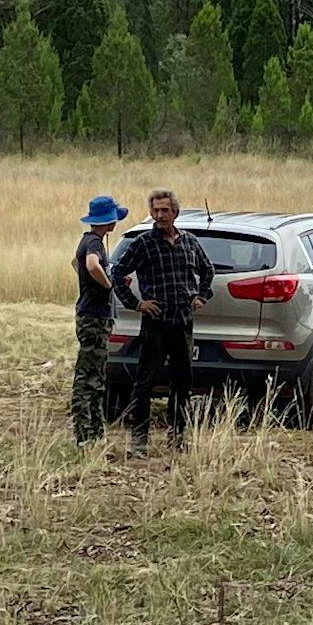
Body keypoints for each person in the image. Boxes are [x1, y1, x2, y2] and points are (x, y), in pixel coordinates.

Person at [108, 188, 214, 451]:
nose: (159, 215)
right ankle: (139, 439)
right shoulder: (143, 243)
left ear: (175, 212)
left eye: (165, 210)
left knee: (182, 382)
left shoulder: (189, 241)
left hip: (183, 322)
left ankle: (178, 438)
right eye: (155, 210)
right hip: (155, 323)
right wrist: (136, 304)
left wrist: (201, 296)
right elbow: (117, 273)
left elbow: (208, 270)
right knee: (145, 381)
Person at [69, 194, 127, 444]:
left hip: (90, 314)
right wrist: (108, 285)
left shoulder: (88, 240)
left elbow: (75, 263)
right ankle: (85, 433)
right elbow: (92, 266)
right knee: (89, 376)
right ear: (109, 220)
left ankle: (92, 431)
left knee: (94, 374)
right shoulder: (94, 244)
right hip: (94, 317)